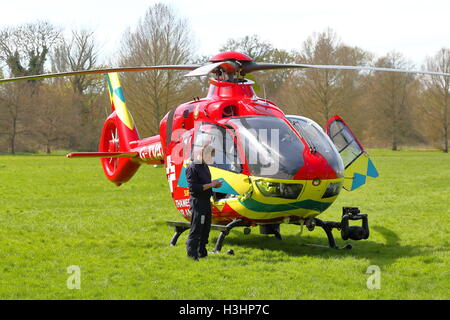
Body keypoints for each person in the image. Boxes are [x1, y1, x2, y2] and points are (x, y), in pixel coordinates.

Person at [185, 145, 222, 261]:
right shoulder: (192, 168)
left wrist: (214, 187)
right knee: (197, 228)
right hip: (198, 202)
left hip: (206, 201)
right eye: (210, 156)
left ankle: (202, 252)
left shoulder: (205, 166)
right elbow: (194, 188)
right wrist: (212, 184)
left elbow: (206, 183)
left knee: (206, 228)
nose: (211, 159)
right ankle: (192, 254)